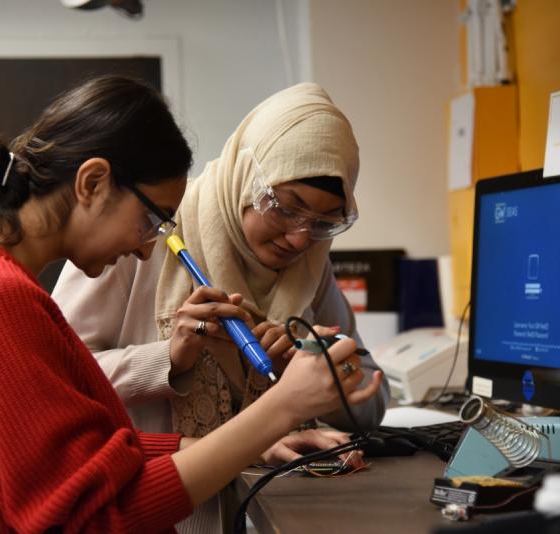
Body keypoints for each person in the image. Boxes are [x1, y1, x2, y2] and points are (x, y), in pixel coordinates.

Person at [0, 75, 381, 533]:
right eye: (151, 220)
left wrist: (249, 444)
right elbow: (100, 513)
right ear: (93, 183)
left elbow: (95, 459)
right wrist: (280, 407)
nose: (146, 249)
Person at [51, 83, 391, 531]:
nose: (300, 238)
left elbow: (374, 399)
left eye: (325, 223)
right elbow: (57, 392)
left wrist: (315, 366)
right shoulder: (141, 234)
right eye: (287, 209)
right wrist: (167, 358)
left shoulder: (310, 266)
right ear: (246, 182)